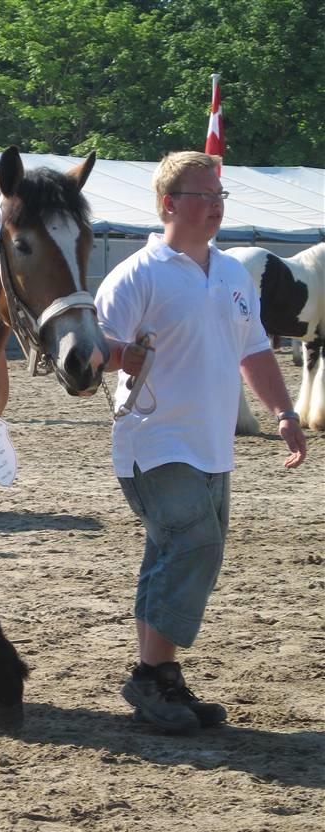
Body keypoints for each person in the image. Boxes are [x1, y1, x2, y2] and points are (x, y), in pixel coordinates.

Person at [95, 151, 307, 733]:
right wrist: (120, 354)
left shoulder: (234, 274)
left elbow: (254, 350)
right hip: (154, 440)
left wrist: (284, 411)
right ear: (169, 204)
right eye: (203, 196)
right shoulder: (136, 274)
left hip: (213, 445)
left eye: (220, 196)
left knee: (170, 553)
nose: (215, 206)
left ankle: (157, 678)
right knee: (194, 547)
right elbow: (90, 351)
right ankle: (152, 675)